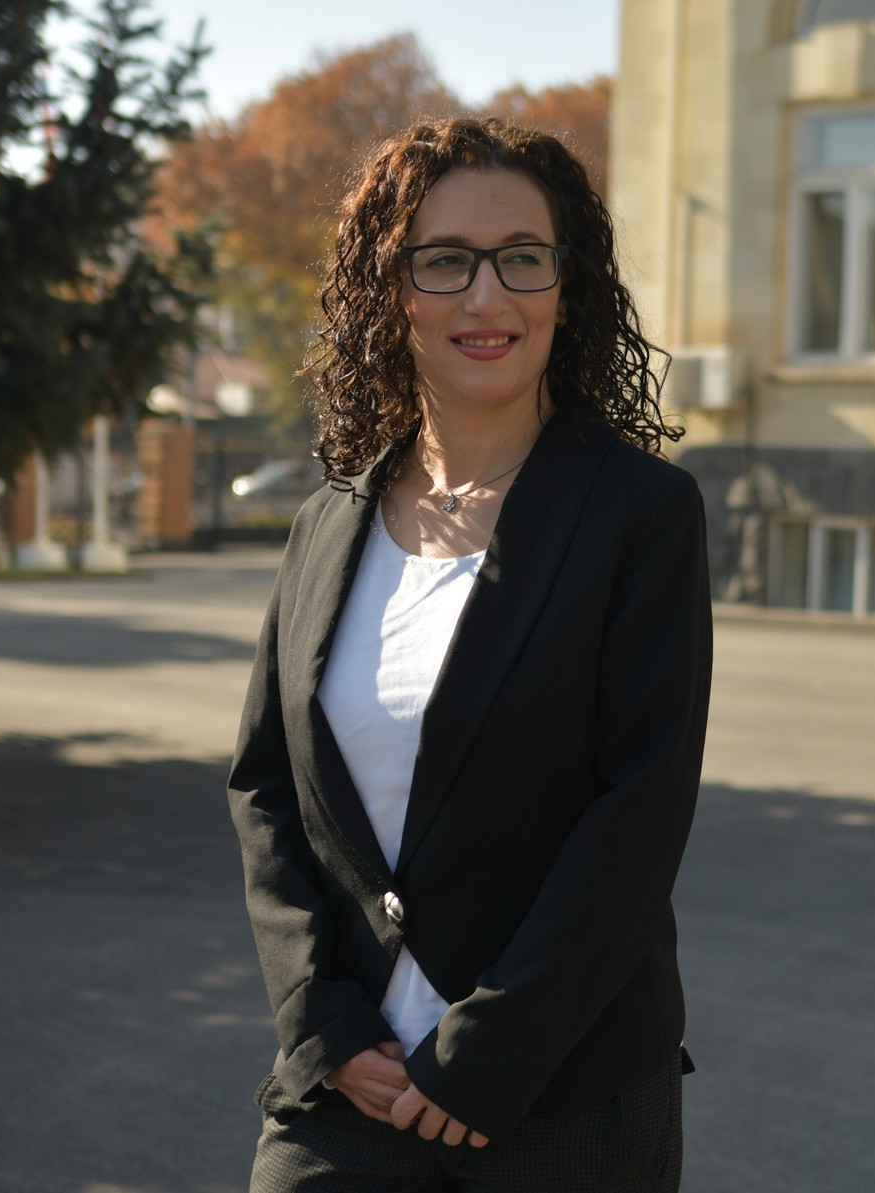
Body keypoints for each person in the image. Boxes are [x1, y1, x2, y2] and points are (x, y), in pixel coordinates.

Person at [227, 116, 712, 1192]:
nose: (487, 297)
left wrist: (484, 1052)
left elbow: (635, 816)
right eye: (443, 261)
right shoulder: (328, 521)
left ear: (567, 288)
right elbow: (267, 788)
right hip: (349, 1088)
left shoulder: (639, 514)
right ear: (388, 289)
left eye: (522, 259)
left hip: (557, 1097)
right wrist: (322, 1018)